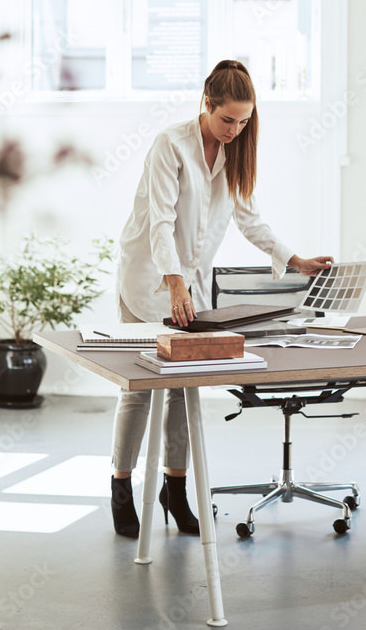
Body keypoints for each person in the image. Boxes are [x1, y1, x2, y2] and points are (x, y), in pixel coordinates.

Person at [110, 59, 334, 537]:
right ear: (206, 105)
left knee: (184, 389)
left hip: (189, 285)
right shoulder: (170, 145)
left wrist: (295, 260)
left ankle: (176, 489)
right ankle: (122, 487)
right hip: (148, 279)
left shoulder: (237, 153)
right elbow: (161, 222)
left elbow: (250, 221)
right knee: (140, 392)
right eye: (227, 119)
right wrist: (173, 283)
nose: (235, 129)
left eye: (244, 121)